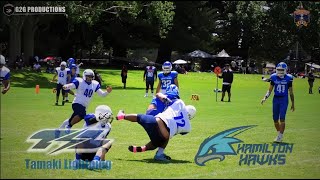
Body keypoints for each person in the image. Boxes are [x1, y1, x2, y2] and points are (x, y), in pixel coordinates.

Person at [115, 87, 196, 162]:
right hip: (164, 135)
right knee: (164, 137)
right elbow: (182, 131)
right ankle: (157, 153)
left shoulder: (180, 103)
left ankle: (122, 116)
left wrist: (164, 98)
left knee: (139, 117)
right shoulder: (188, 128)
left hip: (157, 122)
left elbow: (163, 98)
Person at [58, 105, 114, 170]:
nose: (109, 117)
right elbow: (87, 118)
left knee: (107, 141)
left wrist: (103, 161)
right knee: (82, 138)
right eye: (107, 115)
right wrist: (99, 118)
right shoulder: (91, 117)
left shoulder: (108, 126)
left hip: (94, 153)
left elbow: (103, 142)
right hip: (83, 151)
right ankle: (77, 161)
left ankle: (95, 161)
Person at [261, 62, 295, 143]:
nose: (280, 71)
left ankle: (280, 136)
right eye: (278, 69)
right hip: (276, 99)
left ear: (285, 70)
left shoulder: (289, 78)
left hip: (284, 99)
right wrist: (265, 97)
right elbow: (270, 90)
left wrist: (293, 103)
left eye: (281, 70)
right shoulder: (273, 77)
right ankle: (279, 134)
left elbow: (291, 92)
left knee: (282, 118)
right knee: (275, 119)